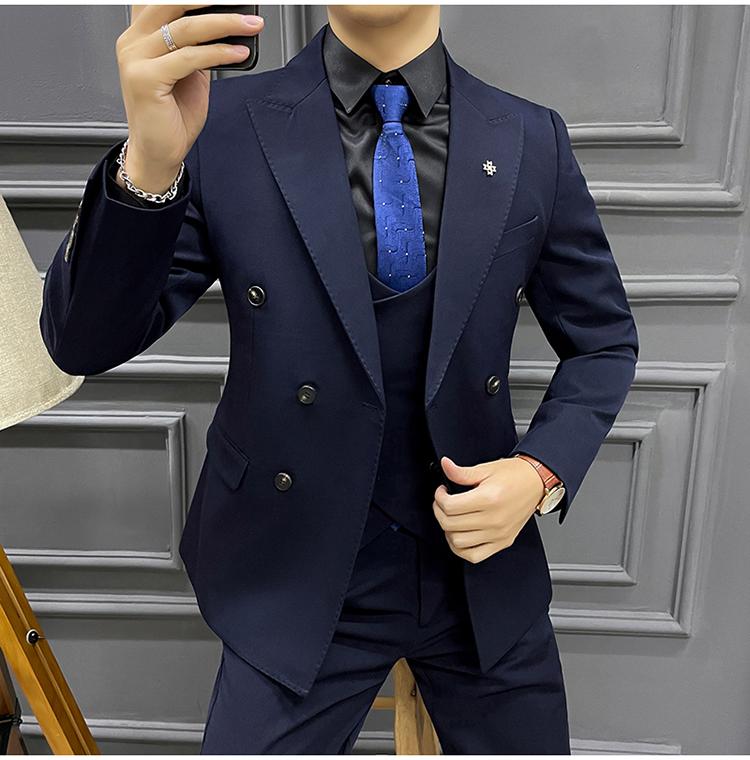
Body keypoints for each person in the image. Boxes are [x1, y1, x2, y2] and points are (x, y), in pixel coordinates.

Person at [39, 4, 639, 754]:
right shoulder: (219, 122)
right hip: (294, 572)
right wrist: (150, 164)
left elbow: (603, 340)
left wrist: (539, 472)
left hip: (480, 572)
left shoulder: (528, 135)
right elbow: (82, 342)